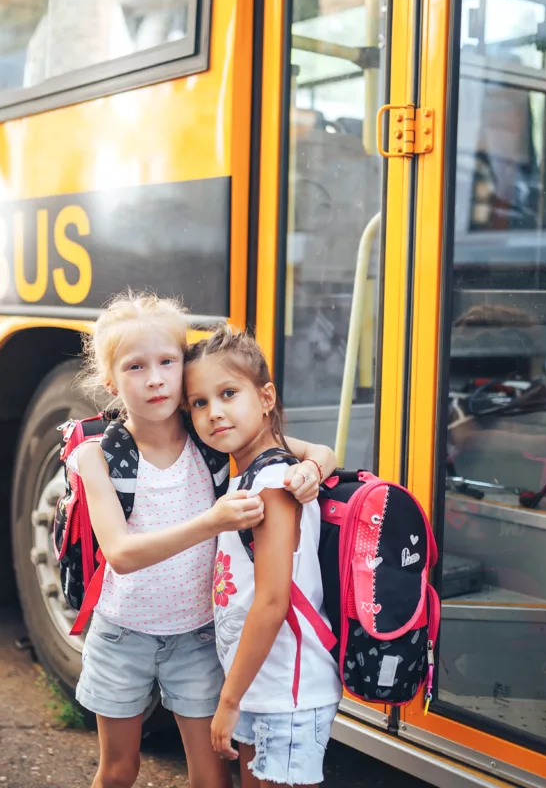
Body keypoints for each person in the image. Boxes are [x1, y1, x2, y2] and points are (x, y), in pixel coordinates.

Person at [70, 292, 337, 788]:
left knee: (211, 776)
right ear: (110, 382)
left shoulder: (206, 431)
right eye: (135, 367)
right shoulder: (96, 456)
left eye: (167, 362)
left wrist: (312, 470)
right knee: (117, 769)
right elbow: (121, 555)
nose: (154, 379)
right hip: (121, 633)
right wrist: (211, 522)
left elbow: (315, 449)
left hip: (197, 635)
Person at [185, 324, 342, 788]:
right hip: (261, 686)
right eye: (199, 403)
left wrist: (228, 700)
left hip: (286, 694)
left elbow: (273, 601)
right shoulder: (249, 475)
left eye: (229, 393)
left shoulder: (274, 484)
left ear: (266, 397)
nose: (215, 412)